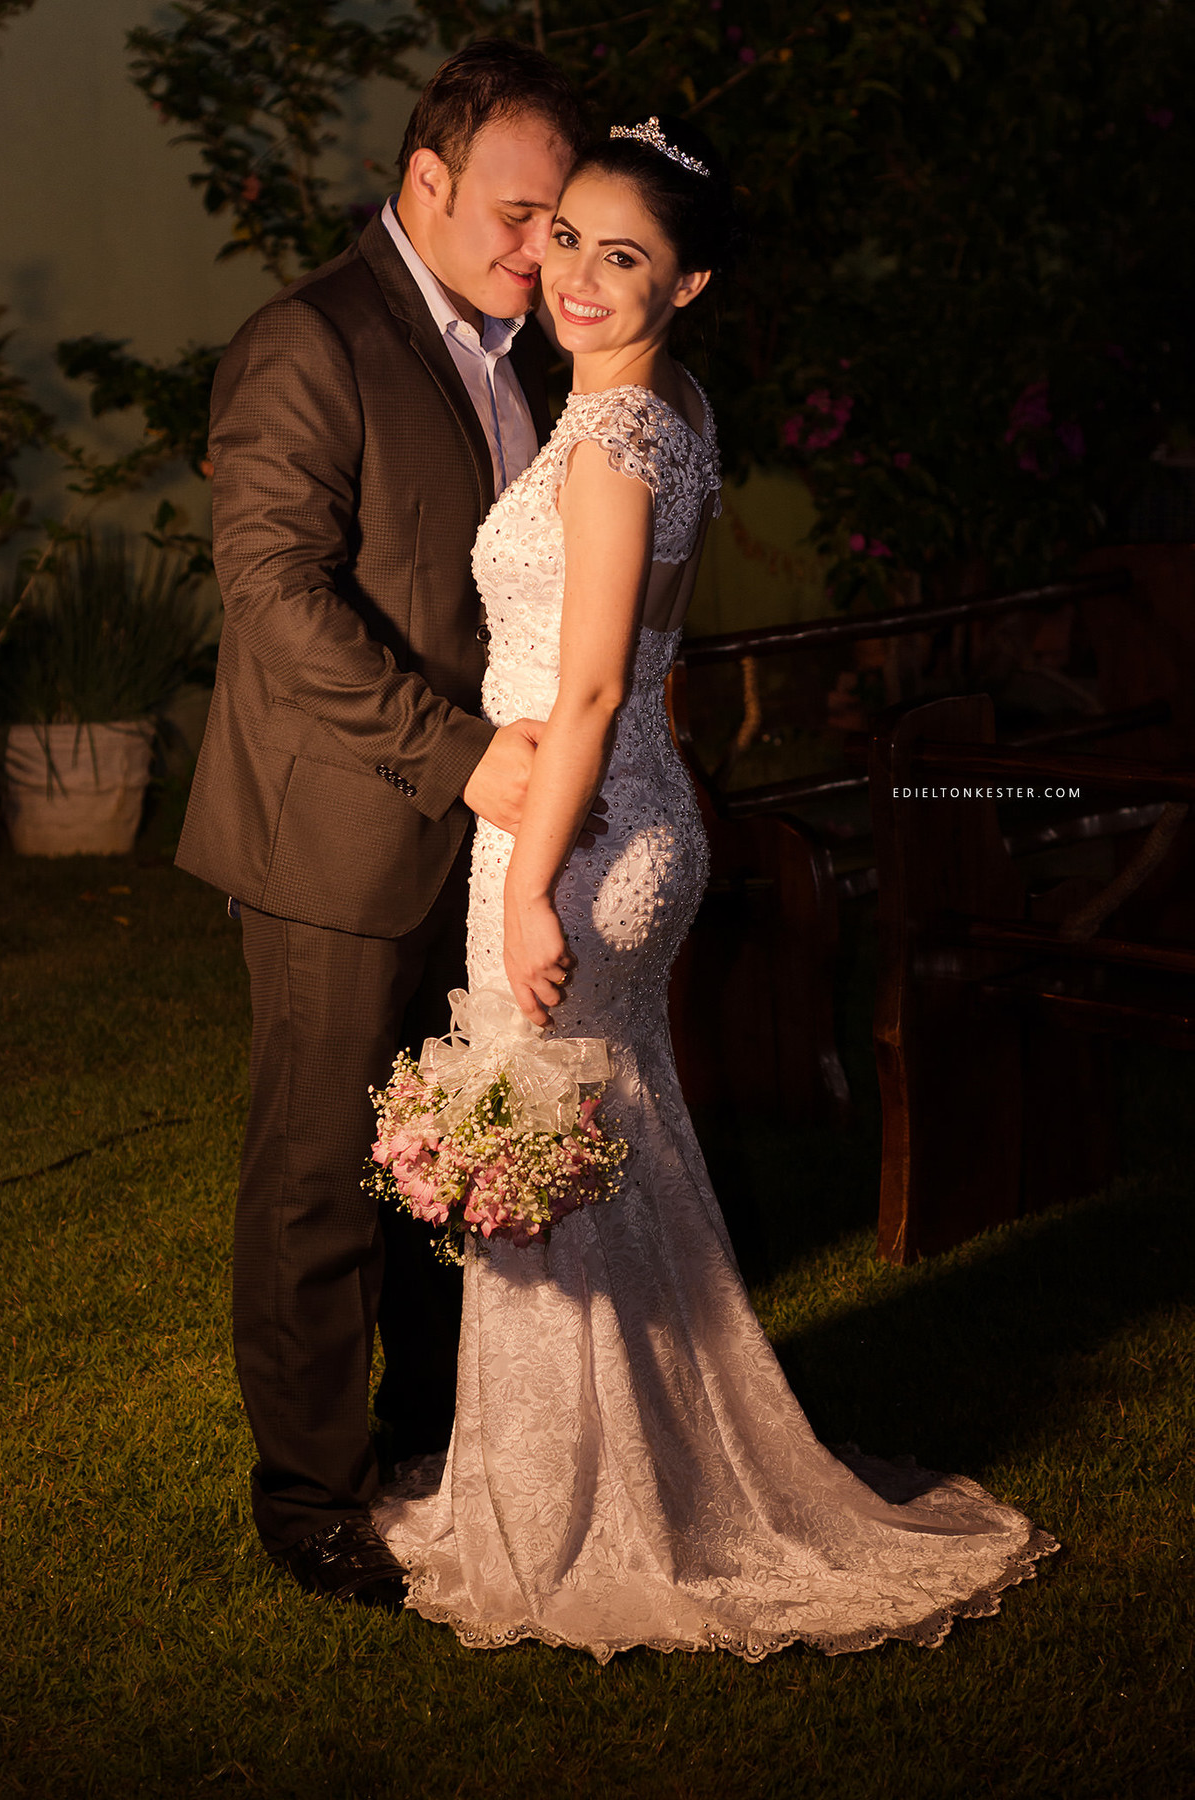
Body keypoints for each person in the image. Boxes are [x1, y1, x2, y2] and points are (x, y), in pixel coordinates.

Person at [374, 117, 1058, 1660]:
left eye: (625, 258)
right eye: (568, 242)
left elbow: (600, 682)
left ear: (688, 283)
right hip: (619, 819)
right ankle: (615, 1477)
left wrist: (532, 887)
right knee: (613, 1146)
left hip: (583, 824)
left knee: (545, 1147)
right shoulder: (652, 406)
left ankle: (579, 1518)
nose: (580, 278)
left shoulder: (615, 437)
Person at [175, 41, 587, 1608]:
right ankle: (308, 1489)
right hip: (337, 837)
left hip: (471, 833)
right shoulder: (309, 342)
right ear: (424, 181)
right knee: (316, 1166)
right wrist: (458, 754)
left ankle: (425, 1427)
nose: (540, 248)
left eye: (561, 221)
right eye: (518, 211)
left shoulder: (508, 351)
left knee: (442, 1156)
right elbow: (275, 594)